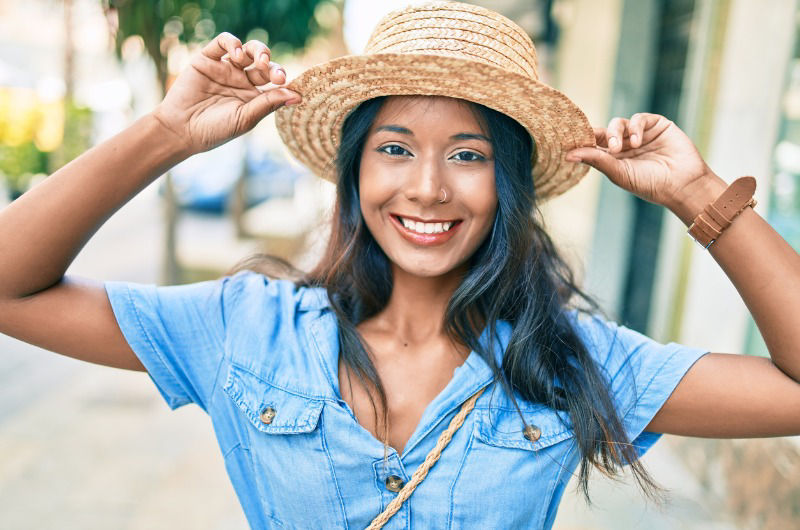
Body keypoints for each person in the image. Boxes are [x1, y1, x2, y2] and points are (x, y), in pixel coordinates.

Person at [0, 1, 798, 528]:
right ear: (353, 173)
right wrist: (166, 135)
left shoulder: (569, 359)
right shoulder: (245, 326)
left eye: (468, 154)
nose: (427, 187)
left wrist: (699, 195)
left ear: (508, 187)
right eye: (394, 149)